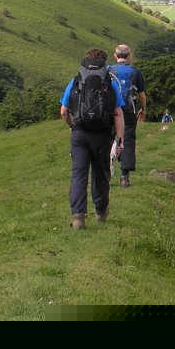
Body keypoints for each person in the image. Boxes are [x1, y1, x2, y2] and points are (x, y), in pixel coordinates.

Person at [60, 48, 125, 229]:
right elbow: (118, 114)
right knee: (100, 175)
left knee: (79, 175)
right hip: (103, 135)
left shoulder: (76, 81)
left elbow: (63, 111)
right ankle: (101, 212)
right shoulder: (110, 83)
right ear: (104, 64)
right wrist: (120, 139)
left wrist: (73, 126)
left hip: (79, 134)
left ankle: (78, 217)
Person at [107, 44, 147, 188]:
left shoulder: (108, 70)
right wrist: (143, 109)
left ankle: (105, 174)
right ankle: (124, 177)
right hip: (128, 111)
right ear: (129, 56)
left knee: (107, 139)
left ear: (115, 55)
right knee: (128, 139)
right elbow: (141, 94)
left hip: (110, 111)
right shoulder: (135, 71)